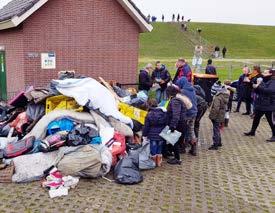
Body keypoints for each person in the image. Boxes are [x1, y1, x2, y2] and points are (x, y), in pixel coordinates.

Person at [244, 69, 275, 142]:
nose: (263, 73)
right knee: (256, 118)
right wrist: (250, 84)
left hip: (269, 105)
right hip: (261, 103)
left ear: (270, 74)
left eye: (265, 72)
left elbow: (269, 91)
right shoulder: (263, 80)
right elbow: (258, 90)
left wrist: (258, 87)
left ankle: (274, 135)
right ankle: (252, 131)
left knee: (271, 121)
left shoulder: (273, 81)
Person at [166, 85, 192, 165]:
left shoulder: (175, 101)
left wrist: (172, 126)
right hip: (181, 122)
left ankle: (177, 159)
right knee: (173, 140)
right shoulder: (177, 99)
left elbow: (176, 115)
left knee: (174, 141)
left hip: (178, 123)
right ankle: (172, 153)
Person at [176, 77, 198, 156]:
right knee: (191, 130)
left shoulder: (182, 92)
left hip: (187, 113)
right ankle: (193, 148)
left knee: (184, 130)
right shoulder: (192, 89)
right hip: (194, 112)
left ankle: (183, 147)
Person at [142, 99, 168, 167]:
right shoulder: (164, 113)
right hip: (161, 134)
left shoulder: (149, 114)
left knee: (153, 147)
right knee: (159, 147)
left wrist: (144, 135)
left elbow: (146, 126)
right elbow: (166, 123)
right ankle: (159, 162)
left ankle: (153, 162)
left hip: (152, 135)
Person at [208, 85, 229, 150]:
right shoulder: (225, 96)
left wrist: (212, 116)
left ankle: (215, 144)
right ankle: (219, 142)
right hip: (221, 115)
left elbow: (216, 108)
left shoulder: (218, 97)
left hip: (217, 115)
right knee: (217, 129)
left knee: (215, 130)